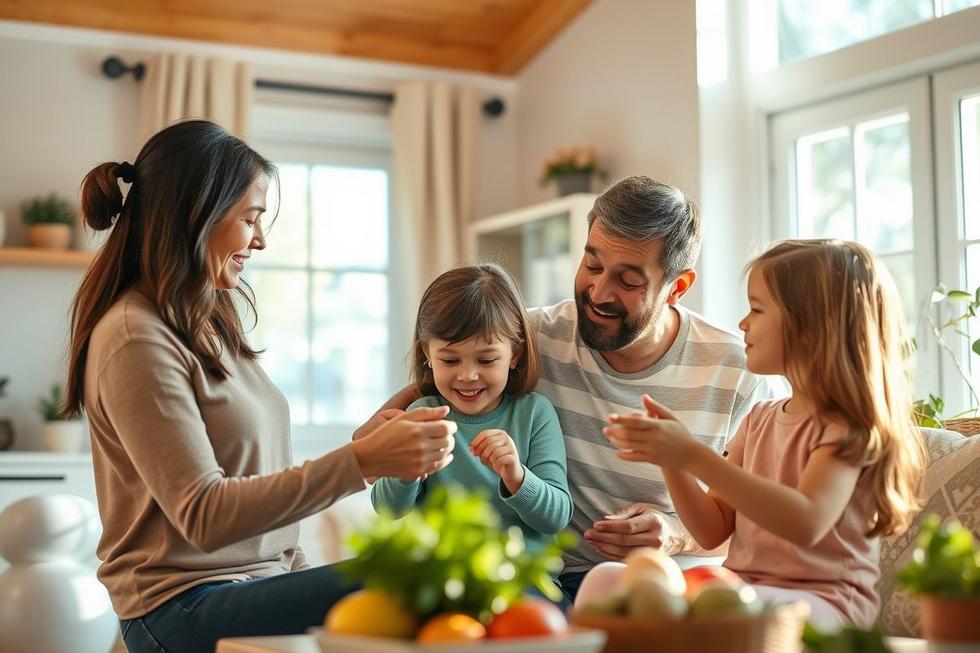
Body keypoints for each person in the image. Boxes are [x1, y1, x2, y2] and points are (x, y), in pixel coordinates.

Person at [63, 120, 457, 653]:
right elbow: (202, 515)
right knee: (416, 574)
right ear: (196, 213)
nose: (262, 240)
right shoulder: (136, 337)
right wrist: (363, 461)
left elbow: (263, 514)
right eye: (251, 219)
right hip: (180, 607)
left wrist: (307, 574)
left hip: (253, 589)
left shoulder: (209, 321)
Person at [358, 176, 778, 603]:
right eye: (592, 265)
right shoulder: (536, 334)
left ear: (678, 287)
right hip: (559, 579)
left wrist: (675, 535)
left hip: (669, 585)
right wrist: (382, 424)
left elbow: (755, 527)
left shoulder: (737, 372)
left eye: (628, 280)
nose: (598, 292)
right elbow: (458, 365)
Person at [602, 239, 925, 628]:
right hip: (744, 591)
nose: (742, 323)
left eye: (756, 309)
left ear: (810, 328)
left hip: (826, 603)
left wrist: (693, 456)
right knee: (606, 584)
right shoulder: (758, 420)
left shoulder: (847, 428)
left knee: (721, 617)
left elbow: (805, 521)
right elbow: (710, 530)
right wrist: (673, 462)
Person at [371, 264, 573, 556]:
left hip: (519, 578)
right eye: (450, 361)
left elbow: (556, 517)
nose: (467, 375)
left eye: (487, 360)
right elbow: (387, 510)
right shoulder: (419, 417)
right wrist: (407, 469)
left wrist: (516, 475)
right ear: (428, 355)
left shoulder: (534, 414)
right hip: (440, 576)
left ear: (514, 356)